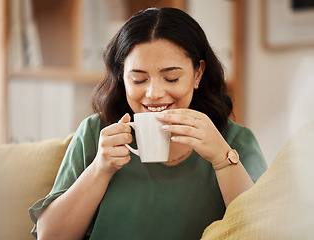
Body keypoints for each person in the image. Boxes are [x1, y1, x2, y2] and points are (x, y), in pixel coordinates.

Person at [29, 7, 268, 240]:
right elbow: (49, 236)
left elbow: (264, 233)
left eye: (171, 78)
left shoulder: (235, 141)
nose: (153, 93)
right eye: (139, 79)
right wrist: (100, 169)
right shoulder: (95, 133)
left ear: (197, 74)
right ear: (122, 78)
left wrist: (222, 159)